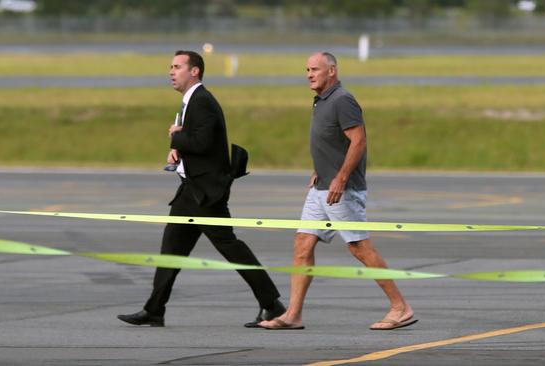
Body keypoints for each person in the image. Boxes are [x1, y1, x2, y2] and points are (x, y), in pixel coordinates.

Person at [118, 50, 284, 328]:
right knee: (171, 250)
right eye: (170, 67)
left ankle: (272, 305)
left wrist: (177, 136)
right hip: (190, 191)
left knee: (231, 248)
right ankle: (154, 310)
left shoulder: (202, 101)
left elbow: (203, 142)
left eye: (177, 67)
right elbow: (198, 144)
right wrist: (178, 150)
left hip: (206, 194)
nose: (171, 72)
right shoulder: (191, 102)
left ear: (194, 71)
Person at [259, 52, 416, 330]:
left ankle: (400, 307)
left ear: (331, 71)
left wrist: (341, 177)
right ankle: (293, 314)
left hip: (341, 190)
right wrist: (321, 168)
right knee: (302, 245)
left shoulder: (343, 100)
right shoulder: (321, 100)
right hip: (321, 187)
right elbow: (330, 141)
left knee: (359, 247)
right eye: (307, 69)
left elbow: (359, 141)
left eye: (315, 69)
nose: (309, 74)